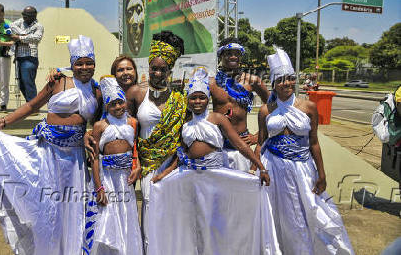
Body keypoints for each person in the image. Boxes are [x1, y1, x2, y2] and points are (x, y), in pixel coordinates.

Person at [0, 35, 101, 255]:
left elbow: (98, 123)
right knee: (48, 209)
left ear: (94, 63)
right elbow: (33, 106)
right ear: (72, 63)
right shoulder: (58, 81)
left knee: (71, 209)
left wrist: (89, 133)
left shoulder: (97, 90)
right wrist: (4, 121)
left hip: (75, 162)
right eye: (79, 62)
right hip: (49, 155)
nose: (84, 67)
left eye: (89, 62)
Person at [147, 68, 279, 255]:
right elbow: (182, 153)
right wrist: (164, 174)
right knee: (194, 218)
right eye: (193, 98)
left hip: (215, 175)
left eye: (201, 97)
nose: (197, 101)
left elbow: (239, 144)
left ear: (208, 99)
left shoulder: (217, 118)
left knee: (215, 219)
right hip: (191, 177)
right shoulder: (186, 122)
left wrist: (260, 167)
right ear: (188, 100)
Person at [256, 48, 354, 254]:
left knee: (305, 212)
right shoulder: (266, 110)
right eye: (281, 79)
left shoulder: (308, 107)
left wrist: (322, 173)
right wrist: (256, 168)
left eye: (290, 78)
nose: (287, 84)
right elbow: (261, 142)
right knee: (276, 214)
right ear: (273, 83)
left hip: (303, 169)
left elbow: (314, 142)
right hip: (274, 168)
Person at [124, 30, 186, 252]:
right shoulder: (136, 93)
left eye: (162, 69)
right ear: (148, 67)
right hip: (146, 163)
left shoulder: (179, 98)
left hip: (172, 164)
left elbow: (184, 134)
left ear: (170, 70)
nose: (157, 72)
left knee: (171, 210)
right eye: (154, 68)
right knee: (149, 206)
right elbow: (127, 130)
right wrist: (135, 162)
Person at [83, 76, 142, 255]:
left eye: (120, 102)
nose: (118, 107)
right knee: (107, 215)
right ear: (106, 106)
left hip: (125, 178)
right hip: (106, 176)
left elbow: (135, 149)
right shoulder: (100, 126)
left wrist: (136, 165)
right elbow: (94, 158)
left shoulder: (133, 123)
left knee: (126, 213)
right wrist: (99, 186)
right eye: (113, 104)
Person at [209, 37, 270, 171]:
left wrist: (257, 136)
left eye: (237, 53)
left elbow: (275, 108)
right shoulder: (212, 83)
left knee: (242, 189)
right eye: (229, 53)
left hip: (243, 145)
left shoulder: (253, 81)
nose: (233, 56)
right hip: (217, 143)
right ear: (221, 55)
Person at [10, 6, 44, 102]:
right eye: (23, 15)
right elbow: (11, 25)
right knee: (20, 83)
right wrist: (23, 34)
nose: (24, 17)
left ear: (33, 16)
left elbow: (36, 39)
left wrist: (20, 38)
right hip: (19, 56)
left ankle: (33, 105)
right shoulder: (20, 22)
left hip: (30, 57)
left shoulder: (38, 26)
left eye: (26, 16)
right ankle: (30, 103)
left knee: (28, 82)